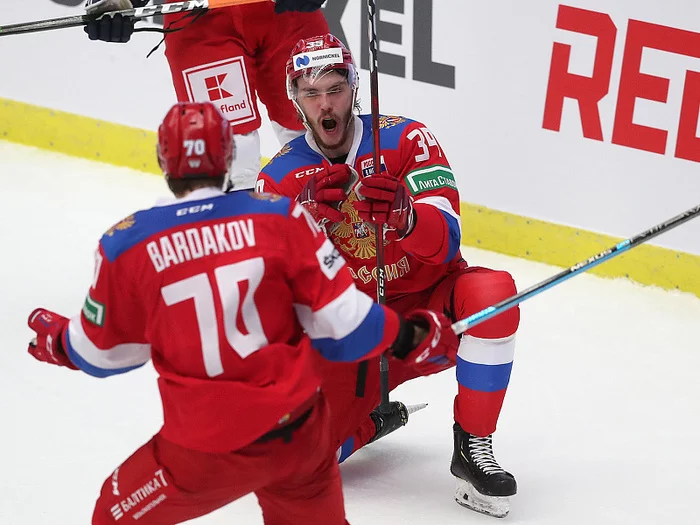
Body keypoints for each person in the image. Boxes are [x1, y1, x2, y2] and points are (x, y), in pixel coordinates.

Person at [25, 101, 459, 525]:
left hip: (202, 452)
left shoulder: (128, 243)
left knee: (111, 513)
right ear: (230, 155)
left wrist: (59, 340)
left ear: (163, 159)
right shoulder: (281, 215)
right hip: (297, 438)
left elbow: (106, 356)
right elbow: (344, 323)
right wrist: (412, 335)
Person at [256, 34, 522, 518]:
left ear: (354, 87)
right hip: (352, 337)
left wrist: (408, 219)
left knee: (492, 293)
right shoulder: (277, 178)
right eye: (310, 93)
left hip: (428, 317)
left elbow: (450, 239)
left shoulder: (406, 138)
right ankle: (371, 423)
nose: (325, 103)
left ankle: (473, 447)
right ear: (295, 100)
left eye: (334, 87)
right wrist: (304, 223)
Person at [84, 0, 329, 189]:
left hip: (290, 16)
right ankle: (244, 247)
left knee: (322, 132)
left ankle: (339, 244)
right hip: (202, 20)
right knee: (231, 155)